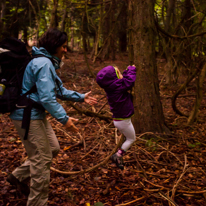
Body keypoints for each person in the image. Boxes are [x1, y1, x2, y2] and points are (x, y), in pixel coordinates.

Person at [7, 28, 97, 205]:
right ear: (54, 45)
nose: (65, 50)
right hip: (27, 116)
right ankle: (37, 202)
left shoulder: (45, 61)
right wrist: (65, 119)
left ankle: (18, 176)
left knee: (53, 148)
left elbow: (58, 90)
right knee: (42, 159)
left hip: (33, 114)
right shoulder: (43, 63)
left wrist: (81, 97)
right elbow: (47, 98)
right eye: (63, 46)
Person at [96, 65, 136, 170]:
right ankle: (118, 156)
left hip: (119, 120)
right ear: (115, 78)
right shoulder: (118, 86)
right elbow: (129, 82)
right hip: (123, 121)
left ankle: (118, 155)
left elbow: (124, 80)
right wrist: (131, 70)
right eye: (119, 73)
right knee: (131, 139)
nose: (121, 75)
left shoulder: (112, 87)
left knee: (128, 137)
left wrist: (126, 71)